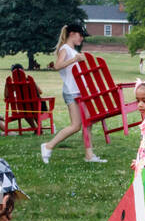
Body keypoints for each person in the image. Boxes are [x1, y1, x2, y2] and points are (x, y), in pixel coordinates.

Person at [41, 23, 105, 164]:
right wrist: (75, 59)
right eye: (80, 35)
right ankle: (48, 146)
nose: (82, 38)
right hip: (71, 92)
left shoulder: (73, 50)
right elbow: (57, 66)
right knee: (75, 126)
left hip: (80, 91)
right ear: (72, 34)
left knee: (88, 123)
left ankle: (89, 155)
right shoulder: (65, 49)